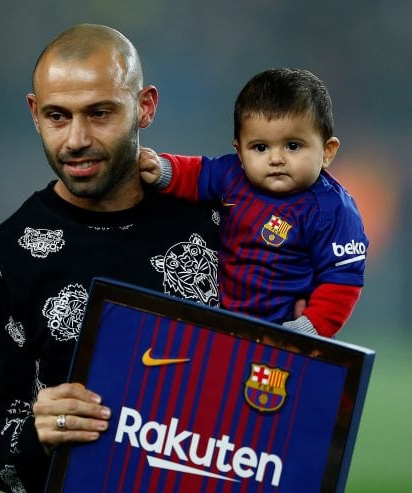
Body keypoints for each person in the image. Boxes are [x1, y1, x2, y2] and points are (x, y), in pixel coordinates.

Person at [0, 24, 222, 492]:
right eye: (58, 116)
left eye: (100, 113)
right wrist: (40, 434)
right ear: (35, 114)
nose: (76, 139)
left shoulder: (221, 229)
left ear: (145, 107)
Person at [140, 68, 368, 338]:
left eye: (293, 146)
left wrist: (308, 328)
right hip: (217, 320)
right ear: (239, 152)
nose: (276, 159)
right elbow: (196, 172)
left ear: (327, 151)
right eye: (260, 147)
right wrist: (162, 169)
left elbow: (342, 278)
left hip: (279, 332)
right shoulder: (231, 175)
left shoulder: (332, 209)